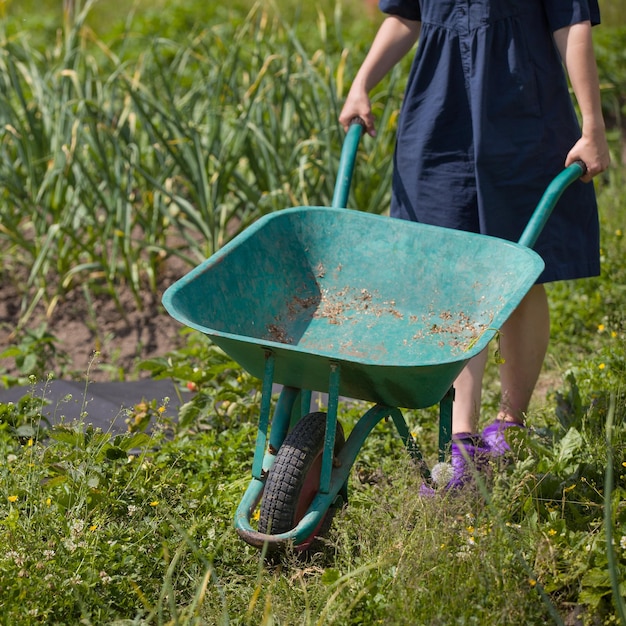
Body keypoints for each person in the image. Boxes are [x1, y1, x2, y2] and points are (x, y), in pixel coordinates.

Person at [339, 1, 610, 490]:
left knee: (519, 272)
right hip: (439, 118)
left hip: (521, 114)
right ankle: (462, 437)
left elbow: (572, 26)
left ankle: (509, 426)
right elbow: (406, 15)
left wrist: (592, 126)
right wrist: (362, 85)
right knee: (453, 276)